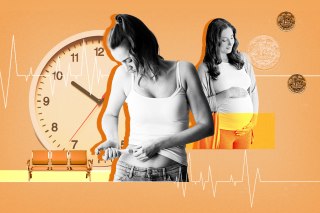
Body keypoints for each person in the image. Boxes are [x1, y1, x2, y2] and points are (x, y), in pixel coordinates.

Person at [95, 14, 213, 182]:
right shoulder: (123, 75)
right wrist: (113, 139)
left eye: (128, 60)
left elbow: (206, 126)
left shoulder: (183, 71)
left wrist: (159, 144)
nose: (126, 67)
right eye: (121, 62)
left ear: (143, 47)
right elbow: (110, 114)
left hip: (171, 173)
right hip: (127, 173)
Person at [197, 18, 259, 149]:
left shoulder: (243, 59)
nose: (230, 42)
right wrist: (228, 93)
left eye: (232, 37)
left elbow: (253, 90)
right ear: (214, 41)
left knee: (244, 167)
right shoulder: (205, 68)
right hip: (222, 131)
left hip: (245, 130)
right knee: (223, 167)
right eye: (224, 40)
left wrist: (253, 120)